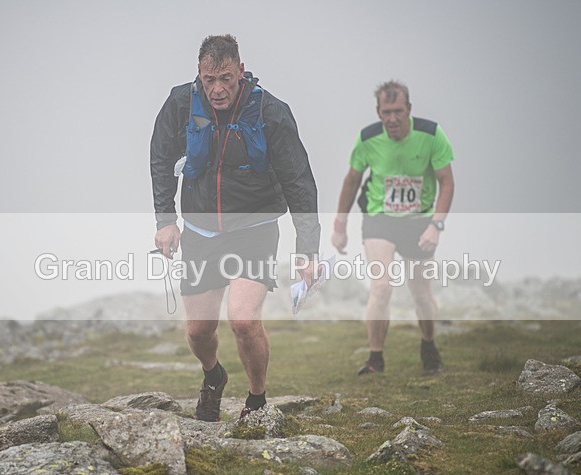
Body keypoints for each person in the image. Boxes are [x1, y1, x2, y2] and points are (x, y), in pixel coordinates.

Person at [150, 34, 320, 421]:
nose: (218, 89)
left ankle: (257, 401)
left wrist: (308, 251)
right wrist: (165, 221)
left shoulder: (271, 112)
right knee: (198, 331)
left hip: (254, 229)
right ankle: (214, 377)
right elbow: (161, 159)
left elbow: (299, 181)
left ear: (240, 72)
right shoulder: (180, 104)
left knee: (243, 320)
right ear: (199, 74)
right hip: (202, 232)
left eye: (226, 78)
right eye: (210, 80)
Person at [331, 80, 455, 375]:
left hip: (419, 222)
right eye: (386, 112)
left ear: (409, 109)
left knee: (421, 293)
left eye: (398, 111)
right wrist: (340, 224)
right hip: (380, 219)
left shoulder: (431, 134)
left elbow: (446, 182)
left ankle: (428, 344)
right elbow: (352, 181)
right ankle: (375, 358)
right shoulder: (367, 139)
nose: (392, 119)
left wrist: (436, 225)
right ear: (378, 112)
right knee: (382, 287)